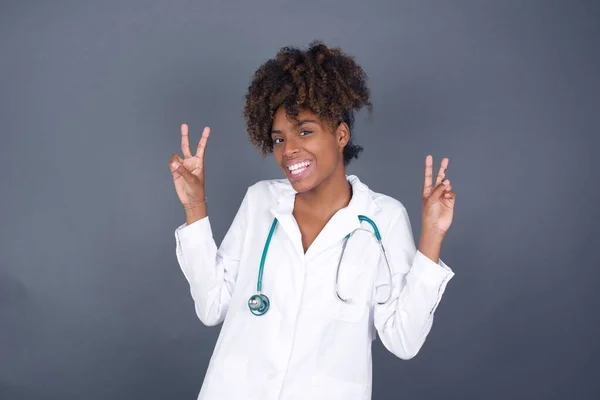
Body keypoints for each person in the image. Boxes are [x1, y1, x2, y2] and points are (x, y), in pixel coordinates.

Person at [168, 41, 456, 400]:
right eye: (278, 138)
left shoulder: (383, 220)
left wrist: (432, 235)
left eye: (304, 131)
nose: (288, 150)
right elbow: (212, 306)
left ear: (340, 134)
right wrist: (195, 206)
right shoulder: (261, 202)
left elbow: (403, 339)